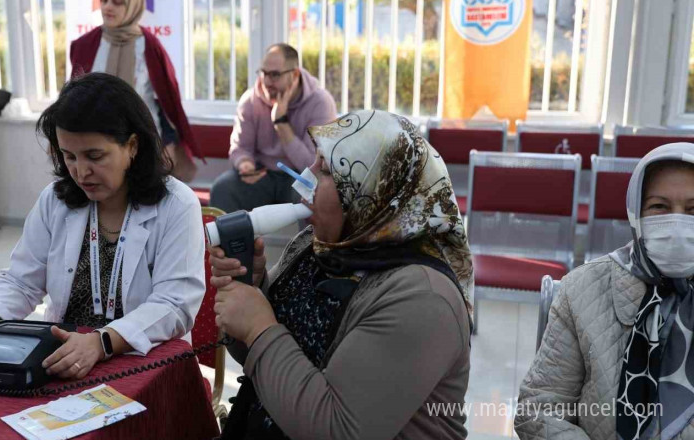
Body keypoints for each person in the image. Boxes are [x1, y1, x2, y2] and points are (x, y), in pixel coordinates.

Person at [209, 110, 473, 439]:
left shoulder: (423, 298)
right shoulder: (317, 247)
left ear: (371, 189)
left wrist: (259, 326)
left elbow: (337, 428)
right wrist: (253, 287)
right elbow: (256, 357)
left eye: (325, 169)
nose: (304, 182)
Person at [0, 73, 206, 381]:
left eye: (95, 156)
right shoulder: (57, 200)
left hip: (145, 361)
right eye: (69, 156)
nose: (80, 172)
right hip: (63, 358)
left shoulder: (176, 205)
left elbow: (174, 305)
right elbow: (22, 281)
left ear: (132, 146)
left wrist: (100, 343)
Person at [515, 143, 694, 440]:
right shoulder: (583, 288)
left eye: (692, 209)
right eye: (659, 207)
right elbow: (539, 410)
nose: (676, 224)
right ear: (636, 213)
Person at [69, 0, 201, 182]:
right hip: (94, 143)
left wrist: (168, 142)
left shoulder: (149, 46)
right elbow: (73, 98)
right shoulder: (85, 45)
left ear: (134, 6)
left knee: (143, 202)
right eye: (104, 1)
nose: (108, 7)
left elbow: (166, 101)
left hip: (143, 142)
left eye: (117, 2)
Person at [209, 43, 338, 214]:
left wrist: (281, 124)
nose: (267, 82)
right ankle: (241, 242)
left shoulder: (320, 103)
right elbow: (240, 148)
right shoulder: (250, 101)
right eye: (264, 73)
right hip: (262, 174)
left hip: (300, 176)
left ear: (295, 75)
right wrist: (244, 163)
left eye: (275, 75)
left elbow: (313, 165)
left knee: (316, 194)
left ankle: (308, 242)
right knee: (223, 189)